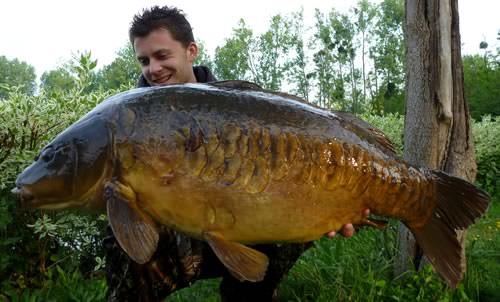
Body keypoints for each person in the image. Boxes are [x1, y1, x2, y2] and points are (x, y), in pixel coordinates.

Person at [103, 5, 369, 301]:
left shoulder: (240, 107)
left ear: (191, 51)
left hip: (237, 226)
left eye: (162, 56)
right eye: (144, 60)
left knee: (284, 223)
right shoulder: (126, 123)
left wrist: (333, 206)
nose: (152, 69)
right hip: (173, 239)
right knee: (122, 241)